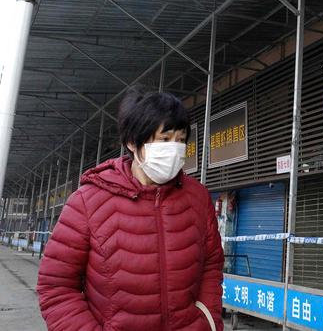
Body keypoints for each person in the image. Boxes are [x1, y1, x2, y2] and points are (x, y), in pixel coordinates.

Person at [37, 91, 224, 331]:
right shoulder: (88, 201)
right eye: (165, 139)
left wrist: (208, 323)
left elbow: (211, 267)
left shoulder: (197, 198)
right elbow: (56, 286)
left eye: (180, 139)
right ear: (133, 142)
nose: (175, 149)